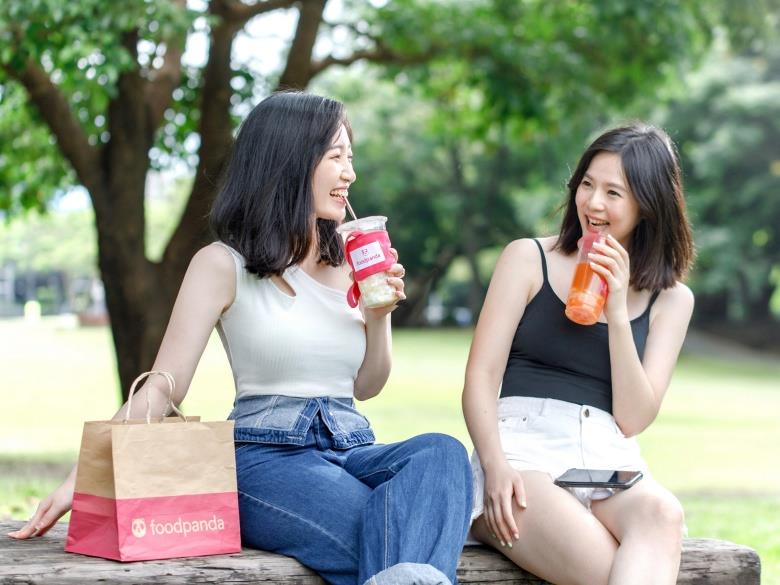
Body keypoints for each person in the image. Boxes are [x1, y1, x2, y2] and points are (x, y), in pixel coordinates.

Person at [9, 91, 473, 585]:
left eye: (350, 157)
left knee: (441, 454)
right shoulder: (222, 264)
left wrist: (378, 317)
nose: (350, 173)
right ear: (291, 160)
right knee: (396, 528)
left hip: (353, 446)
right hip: (266, 459)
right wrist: (82, 478)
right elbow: (163, 386)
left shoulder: (348, 264)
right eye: (336, 156)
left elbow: (366, 386)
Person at [462, 124, 695, 585]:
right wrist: (495, 466)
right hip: (520, 453)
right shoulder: (527, 258)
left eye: (614, 193)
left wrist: (616, 309)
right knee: (613, 570)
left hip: (607, 458)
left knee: (663, 514)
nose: (593, 203)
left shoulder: (671, 300)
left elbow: (633, 418)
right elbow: (480, 379)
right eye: (587, 184)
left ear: (649, 206)